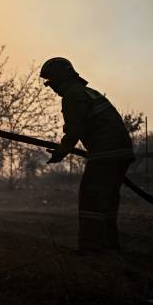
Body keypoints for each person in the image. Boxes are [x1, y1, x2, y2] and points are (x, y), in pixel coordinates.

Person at [40, 57, 135, 253]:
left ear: (61, 79)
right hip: (121, 152)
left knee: (91, 199)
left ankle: (91, 249)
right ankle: (110, 246)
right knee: (107, 201)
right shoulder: (88, 92)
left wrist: (61, 151)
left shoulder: (72, 96)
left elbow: (75, 129)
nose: (52, 88)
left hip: (105, 152)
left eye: (52, 83)